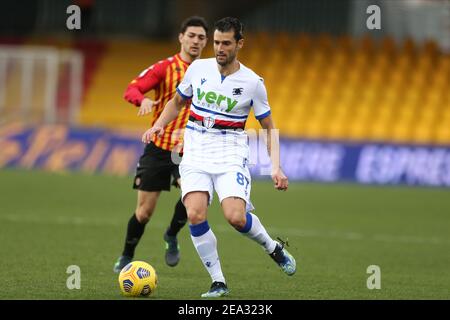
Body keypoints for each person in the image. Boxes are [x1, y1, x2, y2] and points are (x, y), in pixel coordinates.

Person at [142, 17, 296, 297]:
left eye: (226, 43)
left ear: (240, 44)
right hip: (195, 153)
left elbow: (269, 128)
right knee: (195, 214)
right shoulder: (198, 69)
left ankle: (272, 248)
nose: (219, 48)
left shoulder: (253, 83)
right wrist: (158, 126)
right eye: (216, 43)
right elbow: (177, 102)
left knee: (236, 217)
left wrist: (276, 167)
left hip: (230, 155)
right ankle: (218, 282)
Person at [113, 16, 209, 272]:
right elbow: (132, 89)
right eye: (191, 36)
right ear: (181, 37)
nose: (196, 41)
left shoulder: (211, 73)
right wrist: (141, 101)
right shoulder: (165, 67)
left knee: (192, 202)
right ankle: (126, 255)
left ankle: (171, 234)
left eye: (201, 37)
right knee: (144, 212)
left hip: (189, 151)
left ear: (206, 41)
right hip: (158, 147)